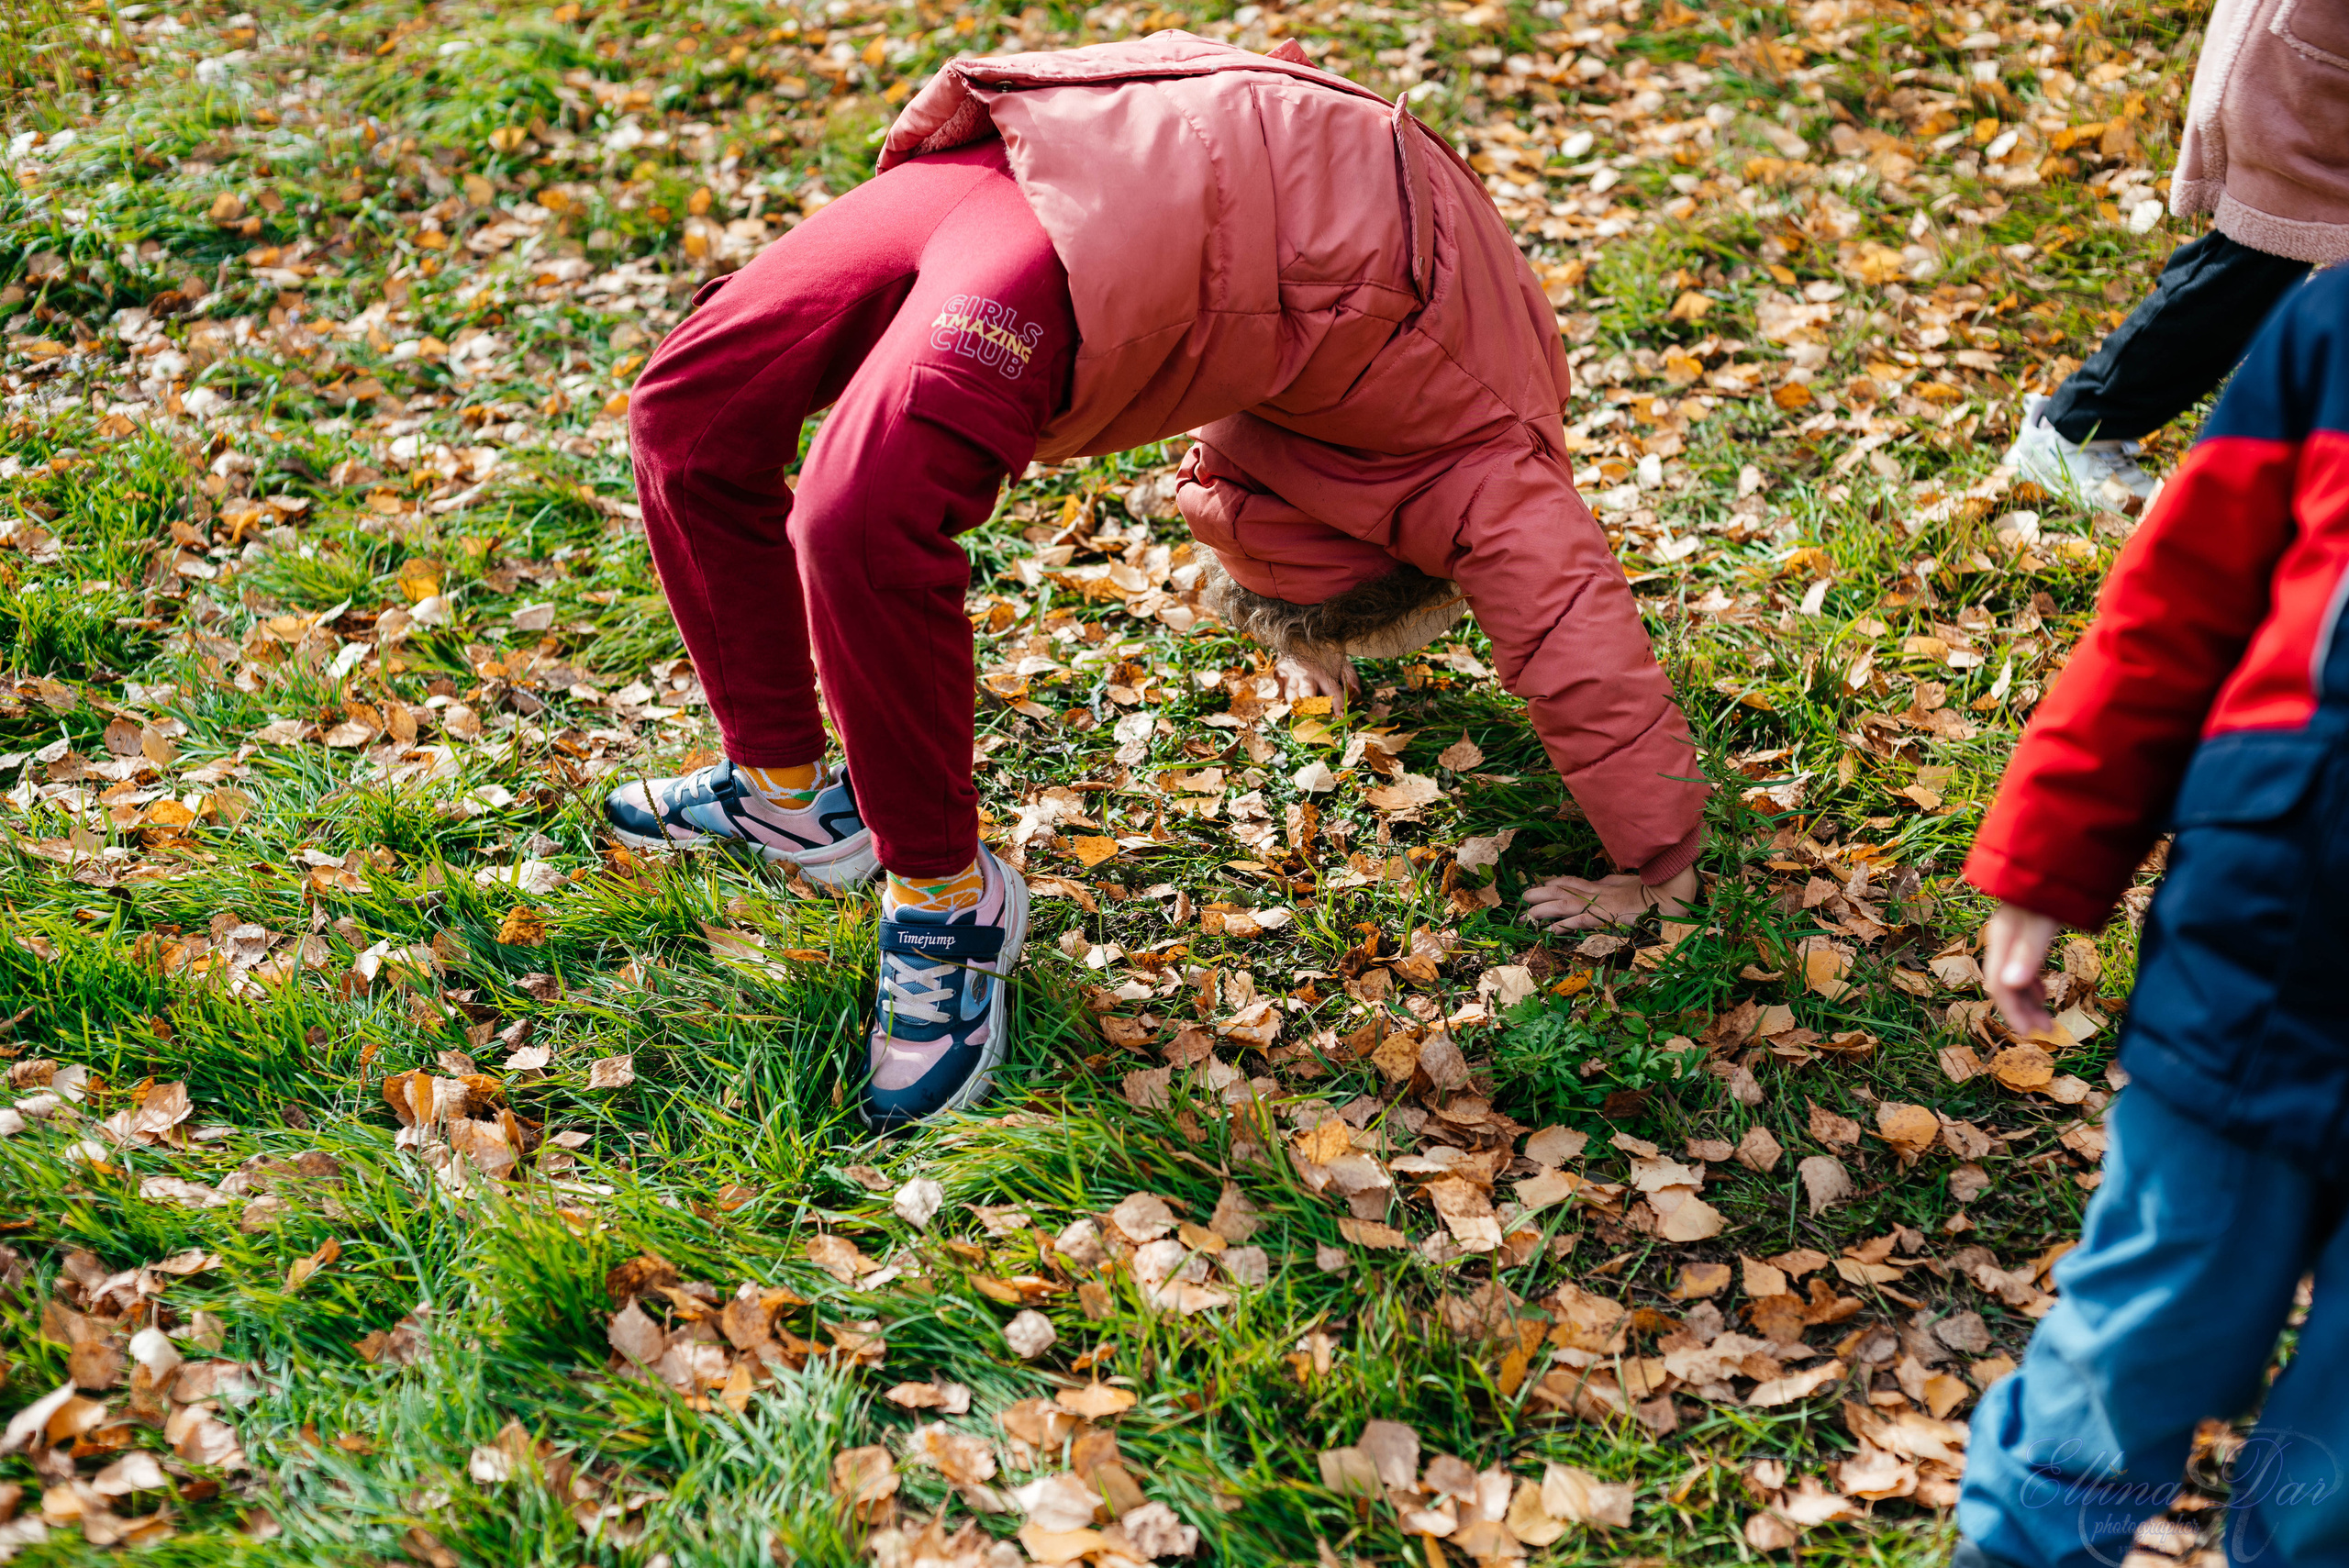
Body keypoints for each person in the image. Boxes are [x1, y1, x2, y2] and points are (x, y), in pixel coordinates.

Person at [611, 32, 1709, 1128]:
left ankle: (946, 896)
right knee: (690, 408)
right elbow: (1574, 633)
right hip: (1073, 147)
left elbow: (1545, 621)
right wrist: (1660, 863)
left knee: (856, 513)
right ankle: (788, 793)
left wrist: (1653, 858)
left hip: (1125, 173)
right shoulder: (1484, 443)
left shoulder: (1448, 440)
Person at [1954, 264, 2349, 1568]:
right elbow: (2179, 600)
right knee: (2149, 1325)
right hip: (2271, 941)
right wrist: (2050, 851)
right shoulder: (2336, 323)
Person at [2003, 0, 2347, 506]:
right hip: (2304, 76)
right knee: (2259, 258)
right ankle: (2074, 430)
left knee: (2262, 259)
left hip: (2311, 62)